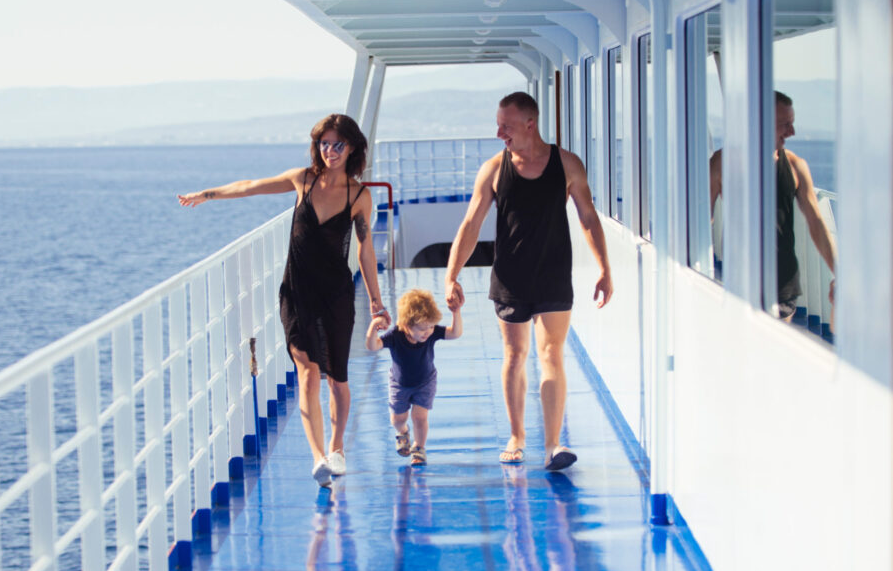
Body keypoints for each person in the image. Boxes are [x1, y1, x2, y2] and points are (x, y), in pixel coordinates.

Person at [178, 113, 386, 488]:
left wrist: (375, 299)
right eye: (324, 143)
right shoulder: (302, 180)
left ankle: (337, 449)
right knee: (307, 371)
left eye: (338, 144)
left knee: (338, 378)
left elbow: (365, 249)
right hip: (296, 292)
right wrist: (206, 195)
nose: (330, 150)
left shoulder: (359, 196)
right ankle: (319, 457)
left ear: (352, 147)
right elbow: (251, 186)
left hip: (336, 295)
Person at [444, 92, 612, 472]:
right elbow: (471, 224)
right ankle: (517, 436)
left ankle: (553, 444)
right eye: (498, 123)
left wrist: (604, 267)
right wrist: (452, 274)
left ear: (530, 124)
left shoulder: (566, 164)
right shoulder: (493, 169)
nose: (499, 131)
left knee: (551, 354)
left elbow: (588, 217)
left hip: (554, 274)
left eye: (506, 124)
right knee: (515, 355)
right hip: (510, 277)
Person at [709, 91, 836, 320]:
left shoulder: (797, 166)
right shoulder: (723, 163)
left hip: (784, 287)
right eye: (785, 124)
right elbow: (703, 219)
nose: (792, 132)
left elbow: (816, 223)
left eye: (792, 123)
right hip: (740, 283)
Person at [364, 288, 462, 466]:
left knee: (420, 416)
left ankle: (419, 448)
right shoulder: (396, 335)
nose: (428, 332)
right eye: (422, 329)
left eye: (431, 327)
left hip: (425, 381)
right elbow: (373, 346)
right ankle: (402, 432)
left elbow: (455, 333)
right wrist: (373, 327)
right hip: (399, 384)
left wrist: (456, 312)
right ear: (407, 325)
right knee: (398, 419)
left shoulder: (431, 334)